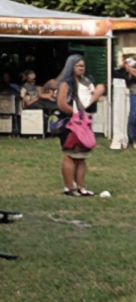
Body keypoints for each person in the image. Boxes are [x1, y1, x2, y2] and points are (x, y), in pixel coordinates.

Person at [55, 54, 106, 197]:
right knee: (70, 154)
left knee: (82, 155)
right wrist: (75, 113)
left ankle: (81, 187)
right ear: (71, 66)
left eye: (83, 66)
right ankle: (70, 187)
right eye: (78, 66)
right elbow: (62, 103)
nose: (81, 68)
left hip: (83, 122)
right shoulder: (65, 83)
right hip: (69, 122)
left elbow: (91, 99)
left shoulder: (86, 81)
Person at [121, 55, 136, 148]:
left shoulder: (130, 66)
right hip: (134, 92)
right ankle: (131, 139)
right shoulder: (131, 63)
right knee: (133, 116)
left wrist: (127, 67)